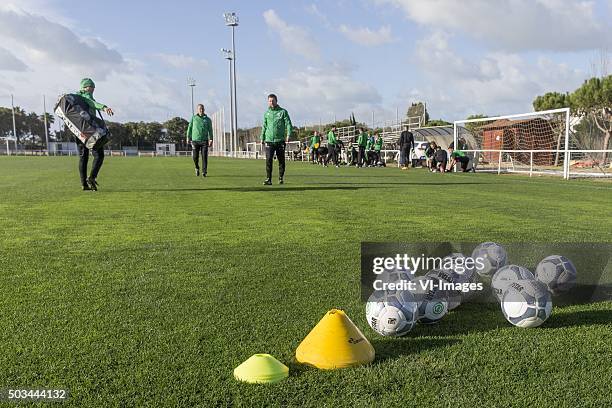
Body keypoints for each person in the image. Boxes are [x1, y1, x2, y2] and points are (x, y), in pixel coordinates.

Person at [75, 78, 114, 191]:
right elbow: (93, 103)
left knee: (83, 157)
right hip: (90, 131)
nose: (92, 90)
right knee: (99, 155)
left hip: (78, 131)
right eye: (90, 87)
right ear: (84, 87)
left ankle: (84, 184)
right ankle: (91, 178)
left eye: (93, 88)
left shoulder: (77, 99)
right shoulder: (85, 96)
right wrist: (104, 107)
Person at [261, 94, 292, 185]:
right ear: (268, 102)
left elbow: (288, 124)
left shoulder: (283, 112)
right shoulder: (266, 113)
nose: (271, 102)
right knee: (268, 160)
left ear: (276, 101)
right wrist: (262, 137)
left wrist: (288, 135)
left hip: (280, 140)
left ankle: (280, 177)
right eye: (270, 101)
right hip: (269, 140)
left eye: (273, 100)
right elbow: (264, 126)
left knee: (281, 160)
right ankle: (268, 179)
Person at [186, 104, 213, 177]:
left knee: (204, 157)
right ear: (197, 110)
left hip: (204, 141)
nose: (201, 110)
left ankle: (204, 172)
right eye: (200, 109)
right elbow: (190, 127)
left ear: (204, 109)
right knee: (195, 157)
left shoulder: (208, 119)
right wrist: (188, 137)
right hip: (195, 140)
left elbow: (210, 130)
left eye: (202, 109)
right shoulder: (194, 118)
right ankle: (197, 167)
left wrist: (211, 139)